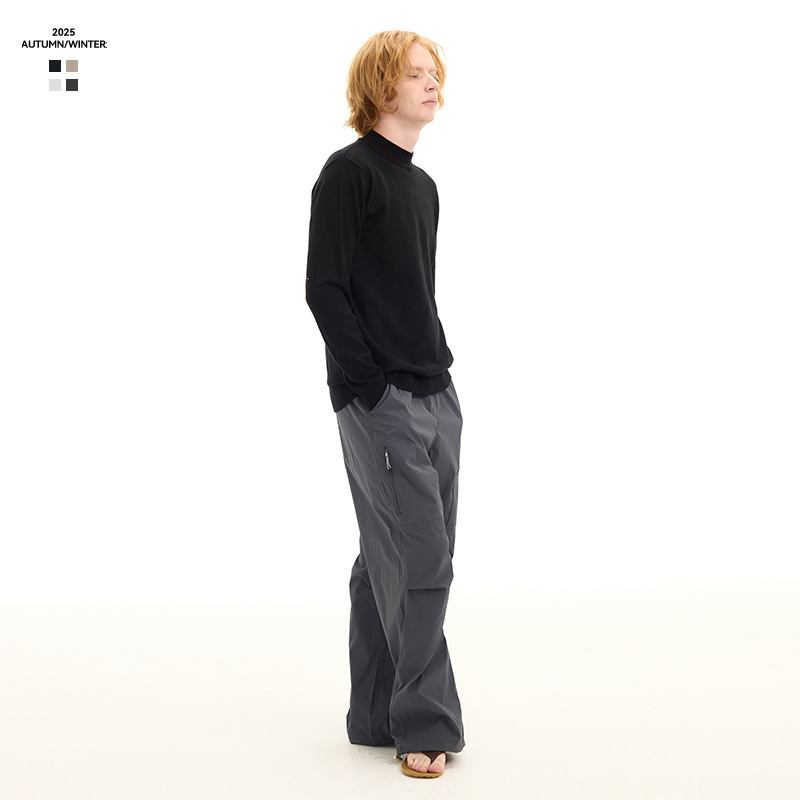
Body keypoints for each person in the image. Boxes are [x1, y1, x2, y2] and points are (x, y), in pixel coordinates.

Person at [305, 30, 464, 779]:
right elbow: (324, 289)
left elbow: (413, 292)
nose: (434, 85)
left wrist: (439, 371)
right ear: (380, 86)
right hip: (381, 398)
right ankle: (425, 725)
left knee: (387, 558)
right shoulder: (348, 174)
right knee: (422, 558)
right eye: (417, 74)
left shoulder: (422, 186)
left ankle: (374, 714)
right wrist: (369, 387)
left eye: (436, 73)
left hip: (437, 391)